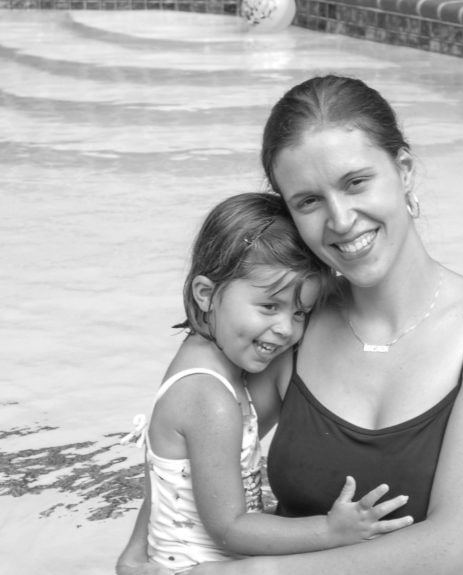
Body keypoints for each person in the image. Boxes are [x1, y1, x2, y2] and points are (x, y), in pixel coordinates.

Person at [115, 192, 415, 575]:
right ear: (205, 294)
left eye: (301, 312)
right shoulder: (210, 399)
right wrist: (331, 530)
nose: (286, 329)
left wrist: (134, 553)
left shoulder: (201, 360)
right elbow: (229, 529)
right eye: (269, 307)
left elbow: (163, 474)